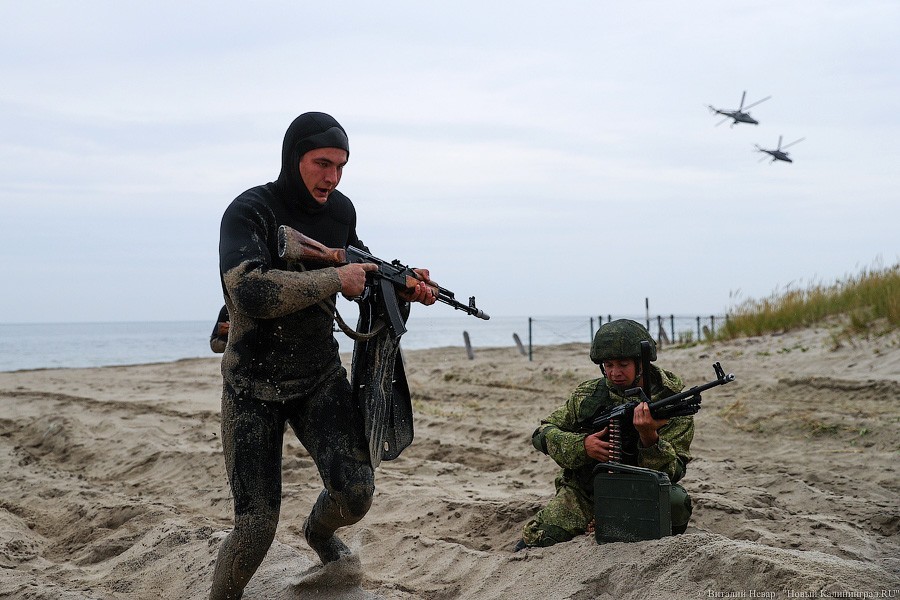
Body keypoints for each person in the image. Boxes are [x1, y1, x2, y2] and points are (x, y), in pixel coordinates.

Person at [209, 112, 436, 600]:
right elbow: (249, 291)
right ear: (295, 159)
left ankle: (318, 534)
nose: (331, 177)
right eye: (322, 163)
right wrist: (335, 278)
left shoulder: (340, 212)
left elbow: (358, 264)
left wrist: (403, 283)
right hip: (252, 385)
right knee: (254, 527)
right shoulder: (249, 212)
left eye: (341, 166)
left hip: (317, 376)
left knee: (355, 493)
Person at [517, 319, 694, 549]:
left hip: (641, 492)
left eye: (622, 364)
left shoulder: (671, 402)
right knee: (537, 537)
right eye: (608, 365)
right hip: (588, 492)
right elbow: (542, 434)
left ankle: (612, 523)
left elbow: (673, 472)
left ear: (641, 363)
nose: (614, 373)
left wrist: (650, 437)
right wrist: (583, 445)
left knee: (676, 504)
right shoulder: (588, 396)